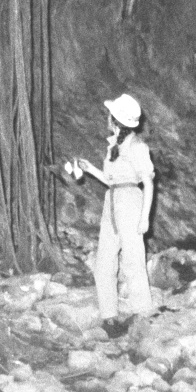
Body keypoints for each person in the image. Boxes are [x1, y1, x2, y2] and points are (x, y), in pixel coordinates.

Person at [65, 93, 154, 337]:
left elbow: (147, 182)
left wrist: (144, 217)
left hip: (130, 202)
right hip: (112, 201)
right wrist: (90, 169)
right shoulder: (114, 146)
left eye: (109, 115)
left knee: (133, 260)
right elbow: (112, 180)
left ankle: (142, 313)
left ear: (114, 119)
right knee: (104, 261)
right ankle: (109, 316)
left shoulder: (137, 146)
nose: (107, 118)